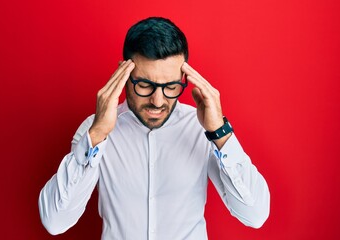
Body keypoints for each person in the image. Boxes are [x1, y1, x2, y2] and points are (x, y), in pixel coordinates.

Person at [39, 16, 270, 239]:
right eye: (145, 85)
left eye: (170, 86)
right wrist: (98, 134)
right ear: (124, 73)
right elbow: (55, 221)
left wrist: (220, 133)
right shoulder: (95, 130)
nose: (158, 101)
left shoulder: (202, 130)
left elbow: (255, 214)